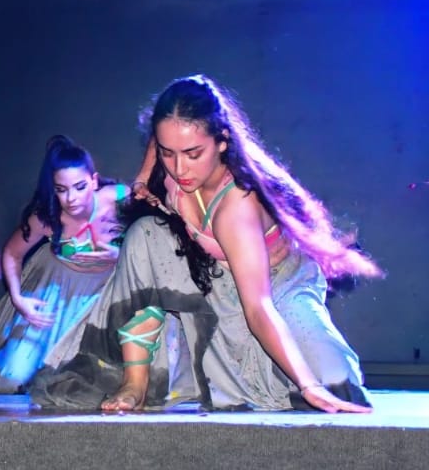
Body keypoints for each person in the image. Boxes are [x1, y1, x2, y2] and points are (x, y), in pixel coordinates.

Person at [30, 75, 381, 413]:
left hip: (276, 289)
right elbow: (167, 136)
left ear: (222, 140)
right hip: (215, 282)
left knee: (336, 385)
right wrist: (142, 179)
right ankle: (136, 381)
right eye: (168, 153)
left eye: (193, 153)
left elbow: (259, 307)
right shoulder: (175, 156)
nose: (179, 168)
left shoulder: (236, 205)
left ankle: (282, 375)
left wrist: (308, 385)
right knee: (144, 234)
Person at [0, 136, 133, 394]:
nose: (71, 198)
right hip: (61, 290)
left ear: (94, 181)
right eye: (61, 190)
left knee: (98, 379)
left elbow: (150, 240)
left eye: (79, 187)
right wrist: (18, 298)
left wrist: (119, 254)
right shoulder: (47, 218)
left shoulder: (119, 198)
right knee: (13, 377)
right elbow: (12, 253)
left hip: (104, 293)